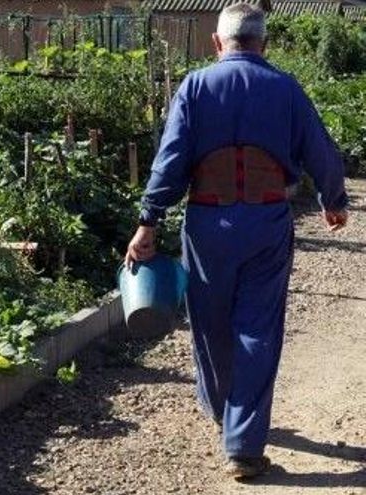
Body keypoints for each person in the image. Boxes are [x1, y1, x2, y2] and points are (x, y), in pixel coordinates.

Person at [124, 2, 349, 479]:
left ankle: (225, 410)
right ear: (264, 43)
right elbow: (320, 148)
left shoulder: (195, 86)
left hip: (207, 223)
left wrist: (149, 220)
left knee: (210, 324)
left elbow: (171, 159)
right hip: (267, 220)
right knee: (259, 329)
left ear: (217, 42)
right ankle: (244, 444)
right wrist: (334, 199)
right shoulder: (285, 88)